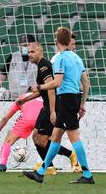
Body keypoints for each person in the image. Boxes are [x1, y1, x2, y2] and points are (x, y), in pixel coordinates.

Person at [23, 27, 94, 184]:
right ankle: (41, 172)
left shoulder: (60, 58)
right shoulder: (77, 58)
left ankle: (87, 175)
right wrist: (82, 103)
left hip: (65, 100)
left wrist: (39, 87)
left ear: (57, 41)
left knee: (74, 137)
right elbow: (86, 82)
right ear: (69, 41)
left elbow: (57, 82)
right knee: (55, 138)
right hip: (73, 99)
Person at [19, 42, 80, 175]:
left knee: (42, 138)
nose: (29, 55)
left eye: (32, 52)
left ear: (40, 52)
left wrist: (52, 111)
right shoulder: (40, 66)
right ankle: (51, 166)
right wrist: (25, 99)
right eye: (28, 52)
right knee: (37, 137)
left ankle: (63, 160)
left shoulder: (44, 66)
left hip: (53, 106)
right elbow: (42, 90)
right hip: (48, 106)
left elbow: (51, 89)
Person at [0, 90, 43, 172]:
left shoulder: (21, 98)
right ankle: (56, 161)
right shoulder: (42, 96)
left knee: (8, 140)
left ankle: (2, 164)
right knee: (46, 143)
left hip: (26, 120)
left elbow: (6, 118)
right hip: (42, 118)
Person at [0, 34, 38, 100]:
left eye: (29, 45)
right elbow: (3, 75)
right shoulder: (13, 56)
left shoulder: (39, 58)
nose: (27, 47)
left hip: (31, 96)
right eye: (24, 45)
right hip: (13, 97)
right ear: (20, 45)